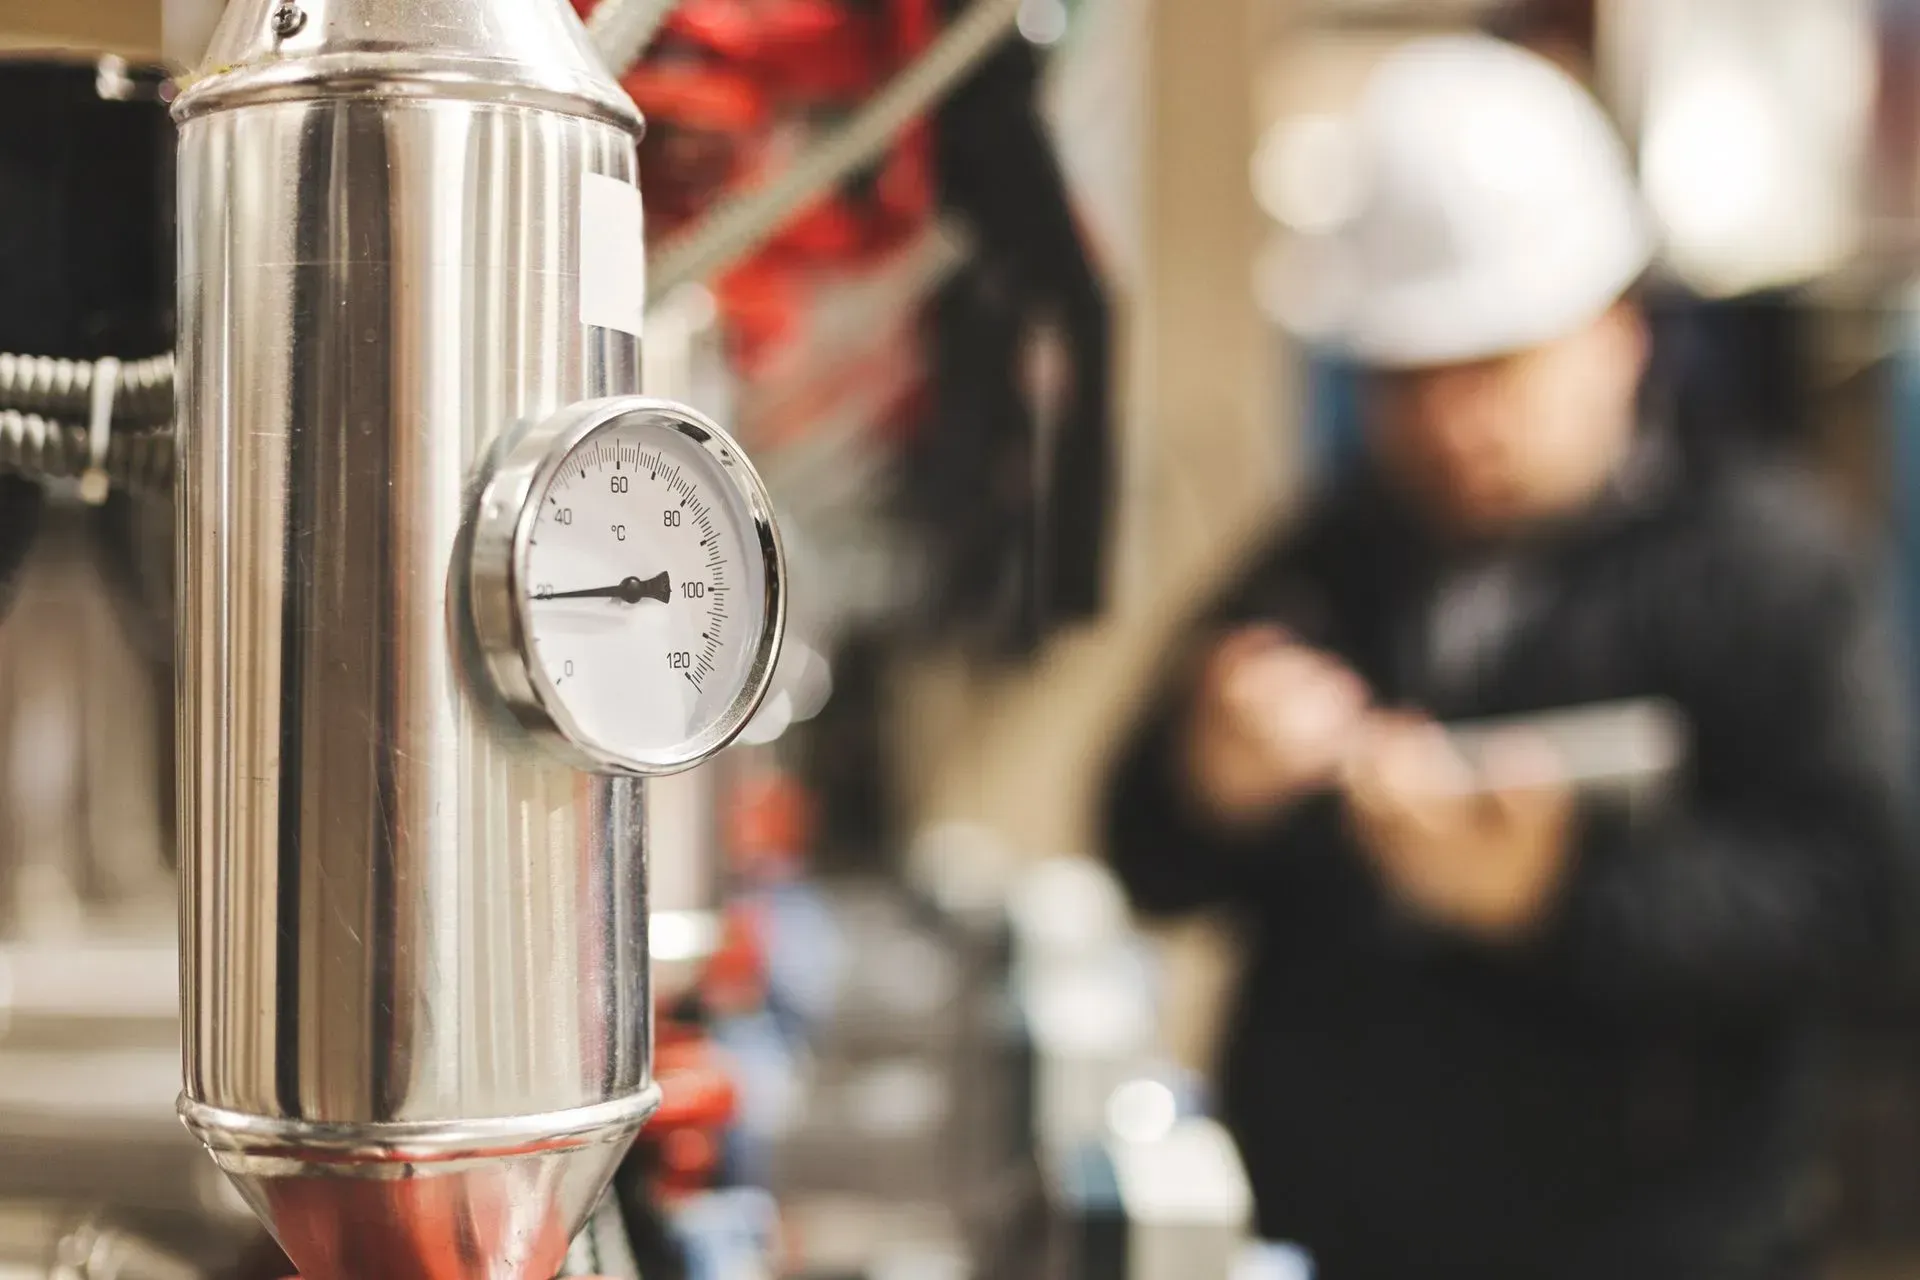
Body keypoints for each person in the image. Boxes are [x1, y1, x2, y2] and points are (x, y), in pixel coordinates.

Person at [1103, 35, 1915, 1280]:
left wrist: (1550, 900)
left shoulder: (1764, 568)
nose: (1452, 422)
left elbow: (1862, 901)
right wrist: (1204, 774)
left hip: (1650, 1240)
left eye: (1496, 363)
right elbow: (1143, 844)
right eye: (1409, 377)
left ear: (1618, 332)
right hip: (1331, 1234)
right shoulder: (1334, 556)